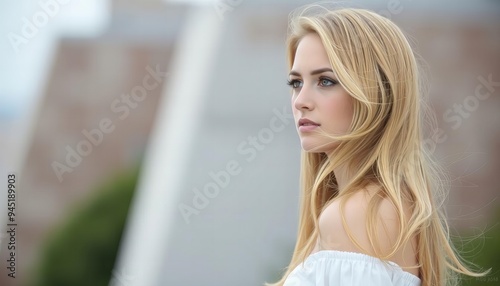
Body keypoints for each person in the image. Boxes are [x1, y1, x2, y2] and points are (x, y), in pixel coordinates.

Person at [266, 5, 488, 286]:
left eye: (325, 81)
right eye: (296, 82)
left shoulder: (357, 216)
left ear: (377, 91)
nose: (300, 101)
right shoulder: (386, 207)